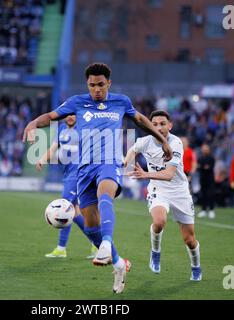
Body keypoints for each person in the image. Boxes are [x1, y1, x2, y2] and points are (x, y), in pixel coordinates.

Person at [23, 62, 173, 293]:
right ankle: (118, 262)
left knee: (106, 192)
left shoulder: (121, 102)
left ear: (109, 83)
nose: (97, 89)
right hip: (84, 169)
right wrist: (34, 123)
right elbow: (51, 116)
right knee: (90, 224)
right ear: (88, 84)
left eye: (101, 85)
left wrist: (162, 141)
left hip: (109, 162)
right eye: (92, 85)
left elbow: (141, 120)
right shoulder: (76, 102)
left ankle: (105, 243)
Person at [124, 110, 202, 281]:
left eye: (162, 124)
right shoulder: (144, 141)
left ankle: (196, 266)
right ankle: (155, 253)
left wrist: (145, 175)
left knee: (189, 239)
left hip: (180, 191)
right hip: (158, 190)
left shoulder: (176, 143)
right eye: (155, 124)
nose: (159, 127)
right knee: (159, 222)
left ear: (170, 125)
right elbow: (133, 149)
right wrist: (126, 163)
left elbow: (169, 175)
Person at [35, 115, 97, 259]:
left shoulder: (84, 129)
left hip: (80, 173)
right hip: (68, 173)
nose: (70, 117)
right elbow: (53, 148)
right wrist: (43, 159)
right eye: (67, 114)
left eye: (73, 114)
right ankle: (96, 242)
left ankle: (61, 248)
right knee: (74, 213)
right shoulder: (61, 129)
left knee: (65, 207)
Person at [197, 143, 216, 219]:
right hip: (202, 179)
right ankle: (203, 210)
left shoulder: (211, 158)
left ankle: (211, 210)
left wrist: (203, 167)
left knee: (210, 194)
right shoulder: (200, 158)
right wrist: (203, 167)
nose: (204, 149)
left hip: (210, 179)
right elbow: (199, 167)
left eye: (206, 148)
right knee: (203, 194)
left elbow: (209, 167)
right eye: (203, 148)